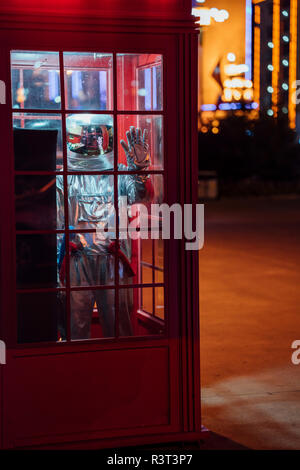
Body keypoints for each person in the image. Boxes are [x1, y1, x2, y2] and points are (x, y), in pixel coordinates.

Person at [56, 114, 151, 340]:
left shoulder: (119, 174)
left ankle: (121, 367)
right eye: (85, 135)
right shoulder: (63, 177)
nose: (90, 141)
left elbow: (143, 196)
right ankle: (77, 369)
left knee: (119, 325)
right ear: (74, 138)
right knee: (74, 327)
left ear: (105, 137)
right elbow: (52, 221)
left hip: (113, 259)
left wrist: (139, 171)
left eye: (96, 135)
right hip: (75, 259)